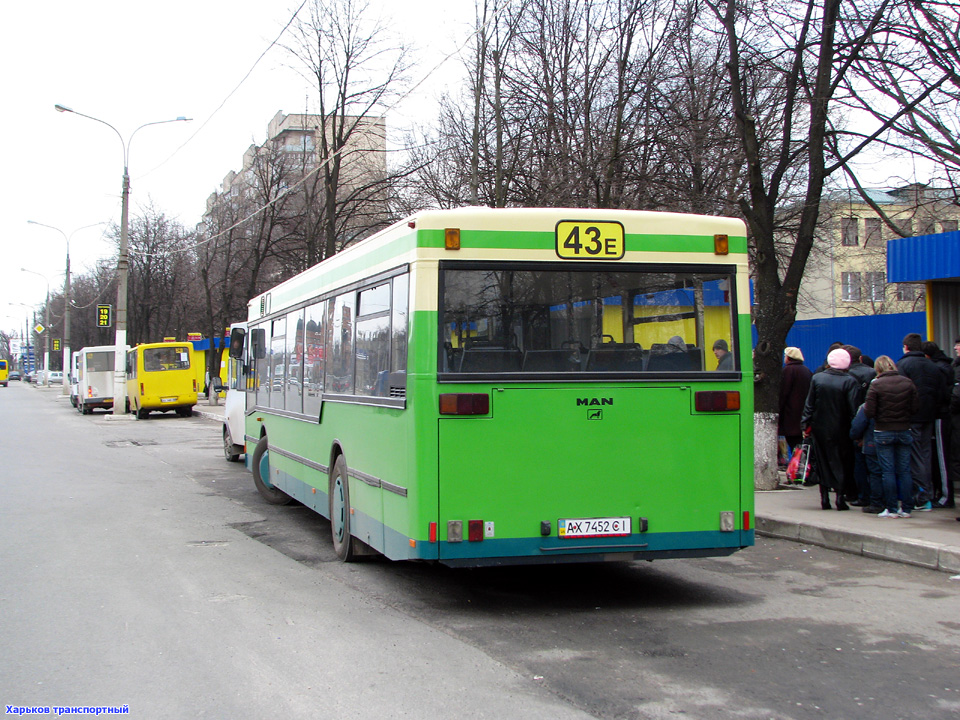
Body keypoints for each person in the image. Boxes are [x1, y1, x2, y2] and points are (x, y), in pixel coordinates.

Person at [802, 347, 860, 510]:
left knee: (821, 462)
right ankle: (840, 498)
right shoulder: (850, 381)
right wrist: (856, 430)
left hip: (819, 428)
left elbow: (809, 404)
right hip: (841, 430)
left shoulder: (818, 378)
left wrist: (805, 424)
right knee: (840, 462)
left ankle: (824, 498)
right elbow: (853, 409)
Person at [897, 333, 947, 511]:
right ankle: (927, 493)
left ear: (906, 347)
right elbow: (941, 392)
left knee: (914, 457)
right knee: (925, 455)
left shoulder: (903, 365)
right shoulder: (933, 367)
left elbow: (900, 393)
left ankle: (920, 496)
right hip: (929, 416)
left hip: (911, 418)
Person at [865, 355, 919, 518]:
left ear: (878, 368)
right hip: (904, 429)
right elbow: (916, 407)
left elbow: (869, 411)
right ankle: (907, 508)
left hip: (883, 431)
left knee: (887, 471)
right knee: (904, 470)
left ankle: (891, 508)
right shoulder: (907, 382)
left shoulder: (876, 385)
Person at [922, 340, 955, 508]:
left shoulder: (939, 369)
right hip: (939, 414)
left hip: (941, 416)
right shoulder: (944, 366)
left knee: (942, 456)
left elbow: (942, 394)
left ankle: (945, 496)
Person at [845, 345, 877, 506]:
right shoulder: (871, 372)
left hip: (853, 420)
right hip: (870, 420)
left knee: (856, 461)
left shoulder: (846, 375)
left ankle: (859, 494)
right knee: (871, 461)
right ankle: (873, 495)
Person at [779, 347, 812, 461]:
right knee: (801, 446)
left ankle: (796, 472)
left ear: (788, 357)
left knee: (795, 446)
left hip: (791, 416)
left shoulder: (788, 371)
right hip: (803, 415)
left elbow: (783, 393)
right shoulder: (806, 370)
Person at [850, 401, 883, 513]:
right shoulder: (899, 403)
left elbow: (856, 428)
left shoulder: (868, 406)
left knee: (874, 472)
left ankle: (871, 499)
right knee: (893, 471)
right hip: (896, 439)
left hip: (871, 441)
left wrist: (856, 437)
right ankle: (893, 502)